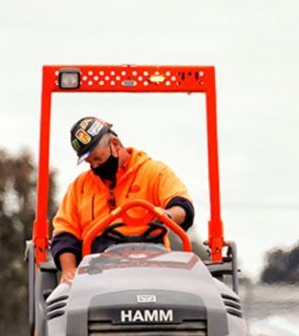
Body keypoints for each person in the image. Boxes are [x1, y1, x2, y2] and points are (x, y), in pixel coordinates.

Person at [50, 117, 195, 283]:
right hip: (97, 272)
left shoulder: (154, 172)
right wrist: (69, 270)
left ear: (115, 145)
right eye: (90, 163)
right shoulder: (79, 187)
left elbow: (182, 207)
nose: (95, 167)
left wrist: (167, 215)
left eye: (97, 158)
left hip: (154, 266)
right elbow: (64, 233)